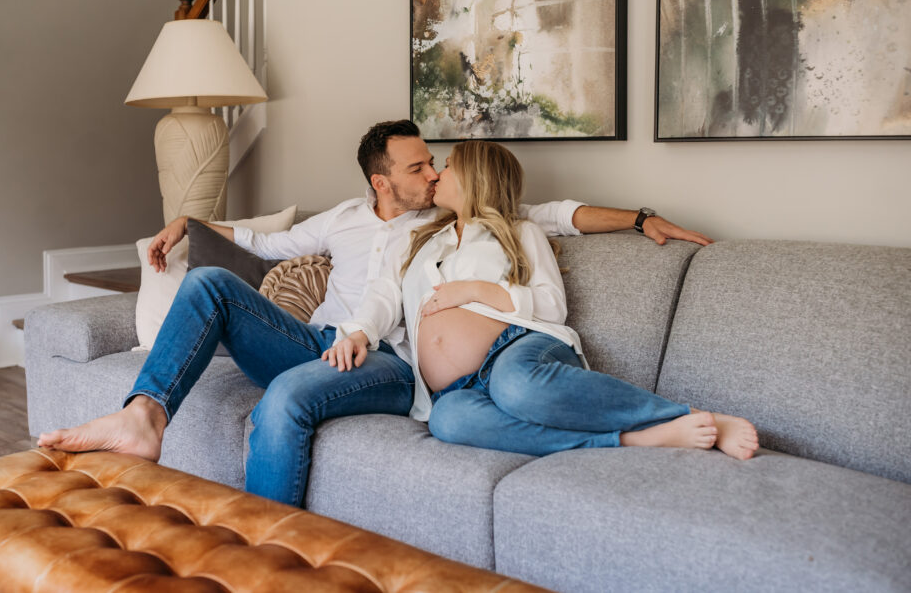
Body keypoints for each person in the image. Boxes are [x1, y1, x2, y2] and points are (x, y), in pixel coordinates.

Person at [38, 120, 716, 506]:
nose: (431, 174)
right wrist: (190, 219)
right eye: (419, 167)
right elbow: (264, 242)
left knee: (285, 398)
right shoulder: (345, 220)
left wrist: (640, 217)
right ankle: (143, 415)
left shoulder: (456, 219)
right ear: (380, 180)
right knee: (209, 284)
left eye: (434, 165)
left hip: (388, 362)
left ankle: (261, 546)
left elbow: (549, 213)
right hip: (318, 338)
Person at [322, 140, 758, 460]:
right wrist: (359, 331)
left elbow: (551, 305)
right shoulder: (418, 240)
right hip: (456, 389)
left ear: (475, 178)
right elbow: (382, 292)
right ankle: (629, 440)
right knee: (447, 422)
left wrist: (476, 291)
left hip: (518, 347)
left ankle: (695, 416)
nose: (436, 174)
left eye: (448, 166)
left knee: (516, 386)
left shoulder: (519, 231)